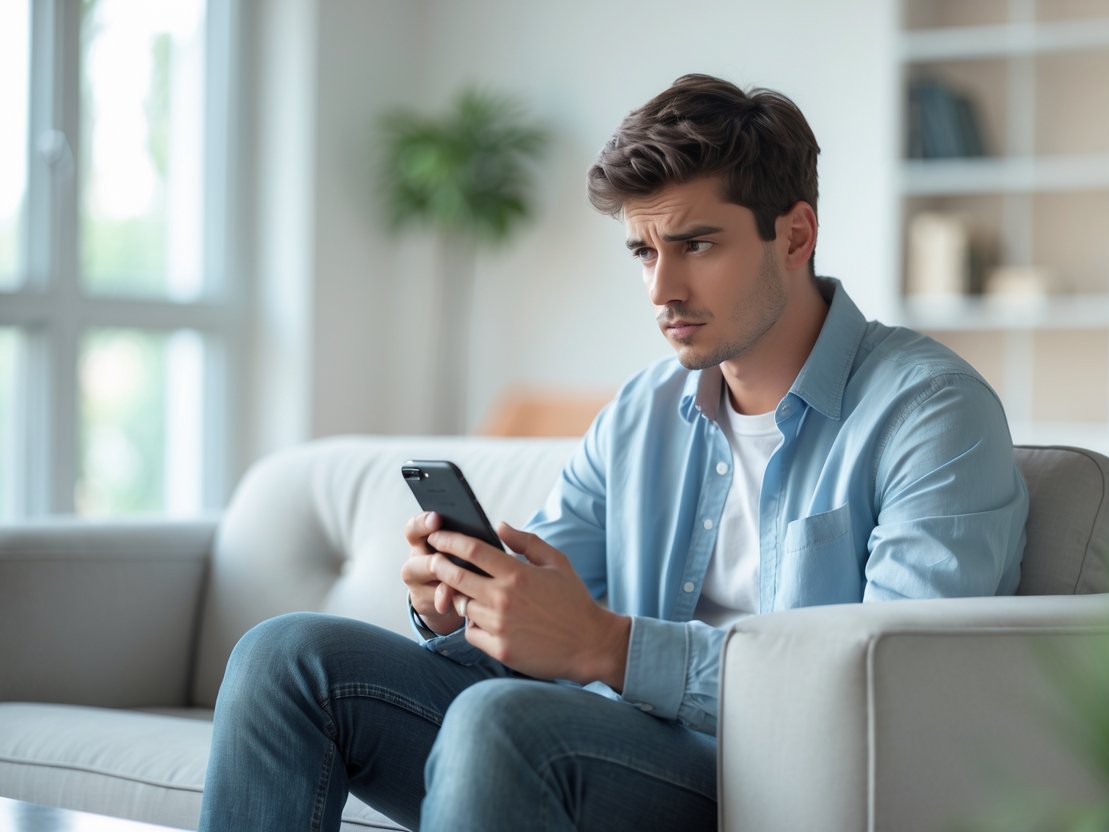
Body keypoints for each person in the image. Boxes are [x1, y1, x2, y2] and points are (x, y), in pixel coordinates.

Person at [199, 74, 1028, 832]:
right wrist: (466, 602)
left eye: (696, 245)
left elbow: (889, 688)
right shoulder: (642, 411)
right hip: (608, 739)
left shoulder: (932, 413)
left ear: (795, 235)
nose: (661, 289)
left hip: (785, 777)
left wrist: (610, 647)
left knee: (501, 728)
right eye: (642, 251)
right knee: (283, 658)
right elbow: (556, 596)